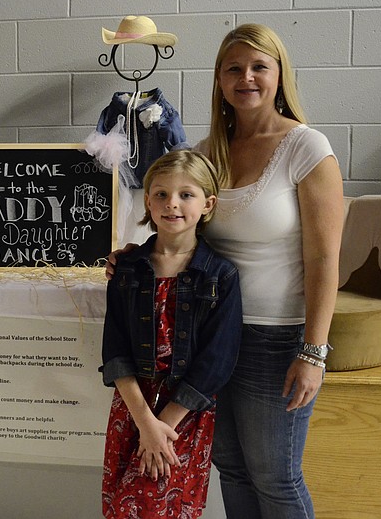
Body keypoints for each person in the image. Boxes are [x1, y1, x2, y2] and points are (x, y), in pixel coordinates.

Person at [107, 23, 344, 518]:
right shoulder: (207, 151)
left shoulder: (307, 148)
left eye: (260, 66)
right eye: (233, 68)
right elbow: (184, 228)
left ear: (280, 76)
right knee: (231, 468)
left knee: (276, 476)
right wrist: (134, 255)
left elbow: (325, 259)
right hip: (209, 335)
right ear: (218, 78)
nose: (247, 78)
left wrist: (314, 352)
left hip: (276, 337)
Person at [100, 150, 243, 518]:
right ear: (147, 200)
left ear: (208, 203)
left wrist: (163, 427)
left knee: (169, 505)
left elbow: (217, 362)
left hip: (184, 414)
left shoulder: (220, 275)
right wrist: (146, 424)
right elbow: (115, 352)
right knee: (122, 505)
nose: (172, 204)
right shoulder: (127, 268)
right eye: (161, 194)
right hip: (134, 408)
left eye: (186, 194)